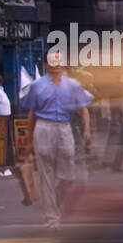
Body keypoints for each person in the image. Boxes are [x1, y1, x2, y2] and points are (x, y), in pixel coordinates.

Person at [20, 51, 93, 228]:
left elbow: (84, 108)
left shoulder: (73, 85)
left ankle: (54, 203)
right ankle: (51, 218)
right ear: (46, 65)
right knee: (46, 174)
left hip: (64, 128)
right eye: (53, 61)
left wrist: (87, 130)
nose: (57, 64)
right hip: (43, 127)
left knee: (68, 175)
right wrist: (29, 140)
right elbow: (31, 113)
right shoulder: (37, 86)